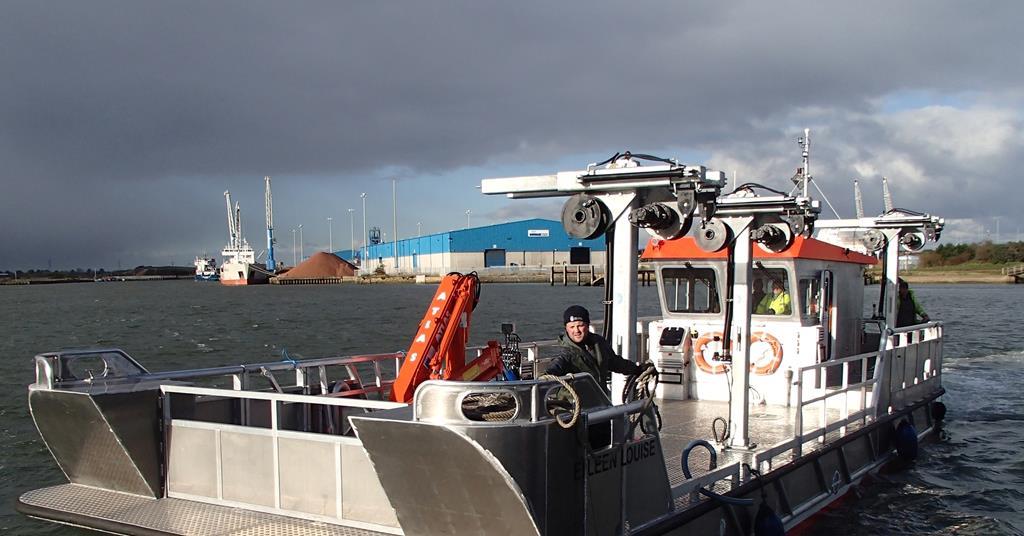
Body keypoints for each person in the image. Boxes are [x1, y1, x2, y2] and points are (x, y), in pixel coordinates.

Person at [545, 305, 642, 394]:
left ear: (587, 326)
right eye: (572, 327)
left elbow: (614, 362)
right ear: (566, 328)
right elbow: (553, 370)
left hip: (601, 400)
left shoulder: (599, 343)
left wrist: (638, 369)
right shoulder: (564, 353)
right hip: (574, 406)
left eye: (580, 325)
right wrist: (545, 376)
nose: (576, 331)